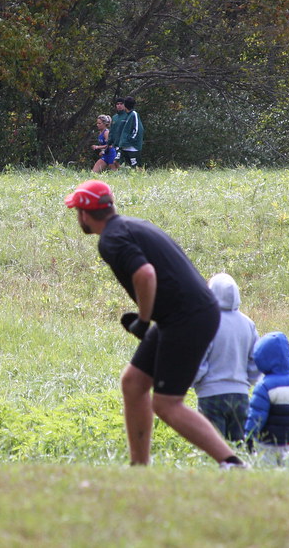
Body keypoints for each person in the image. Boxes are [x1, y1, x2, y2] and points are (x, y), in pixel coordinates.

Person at [65, 179, 246, 468]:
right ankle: (139, 468)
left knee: (166, 403)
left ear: (84, 214)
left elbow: (146, 274)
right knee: (133, 383)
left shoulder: (111, 239)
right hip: (184, 313)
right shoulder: (134, 225)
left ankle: (232, 463)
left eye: (76, 211)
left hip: (187, 317)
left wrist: (143, 319)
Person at [192, 273, 261, 443]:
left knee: (213, 447)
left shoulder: (206, 321)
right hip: (240, 395)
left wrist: (195, 381)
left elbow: (198, 361)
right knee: (238, 447)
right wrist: (247, 380)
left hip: (211, 394)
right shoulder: (248, 323)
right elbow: (255, 361)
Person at [244, 331, 289, 466]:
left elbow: (257, 415)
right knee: (286, 470)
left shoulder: (264, 386)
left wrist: (249, 435)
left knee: (267, 472)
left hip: (266, 443)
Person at [114, 96, 144, 168]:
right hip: (124, 146)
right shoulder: (127, 115)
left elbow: (138, 129)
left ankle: (141, 177)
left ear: (125, 105)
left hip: (132, 146)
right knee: (117, 162)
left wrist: (130, 139)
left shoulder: (134, 114)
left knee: (136, 166)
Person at [108, 97, 130, 169]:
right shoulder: (114, 117)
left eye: (121, 104)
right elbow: (111, 131)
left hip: (124, 145)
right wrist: (109, 143)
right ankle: (118, 176)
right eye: (117, 104)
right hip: (115, 145)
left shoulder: (128, 116)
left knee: (118, 162)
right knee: (113, 162)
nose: (119, 105)